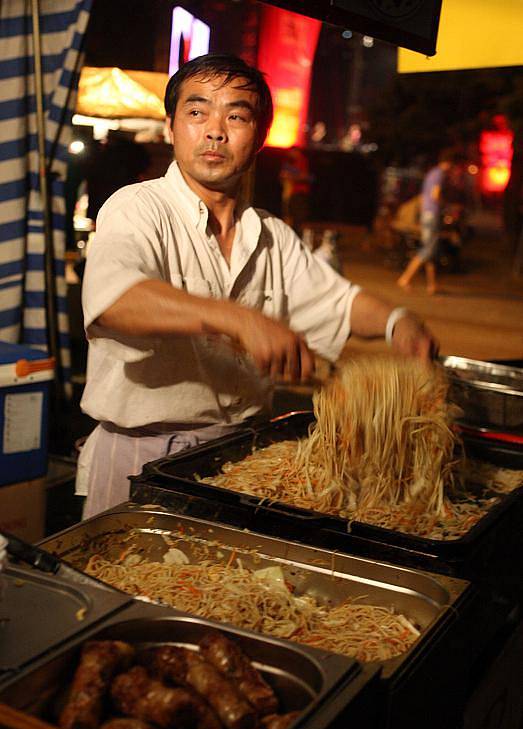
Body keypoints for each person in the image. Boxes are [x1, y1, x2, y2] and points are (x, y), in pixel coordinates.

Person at [78, 53, 436, 518]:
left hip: (241, 461)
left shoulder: (269, 235)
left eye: (236, 116)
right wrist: (238, 318)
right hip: (142, 459)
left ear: (260, 137)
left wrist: (396, 322)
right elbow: (116, 301)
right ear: (171, 128)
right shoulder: (137, 209)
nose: (214, 130)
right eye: (196, 111)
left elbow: (339, 303)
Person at [397, 150, 456, 294]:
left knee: (431, 250)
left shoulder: (431, 173)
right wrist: (447, 207)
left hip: (426, 214)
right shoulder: (440, 175)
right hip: (431, 215)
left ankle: (432, 285)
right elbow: (435, 195)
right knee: (428, 249)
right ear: (449, 163)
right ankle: (405, 278)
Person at [279, 146, 312, 236]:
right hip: (290, 193)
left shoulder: (302, 161)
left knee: (298, 218)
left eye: (291, 152)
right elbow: (282, 175)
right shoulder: (289, 162)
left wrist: (290, 176)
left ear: (296, 152)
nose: (290, 154)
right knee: (289, 216)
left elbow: (306, 177)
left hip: (300, 193)